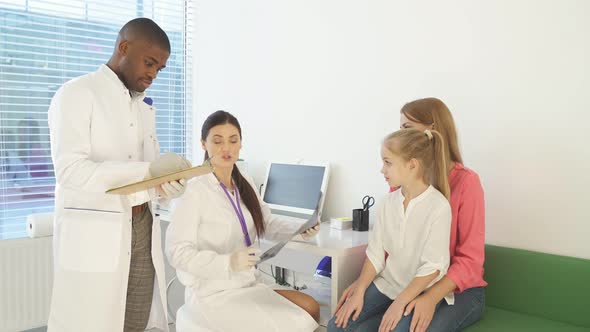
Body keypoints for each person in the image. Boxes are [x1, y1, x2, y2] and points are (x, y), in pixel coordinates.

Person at [48, 18, 190, 332]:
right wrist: (148, 172)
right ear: (124, 48)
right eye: (149, 62)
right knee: (91, 323)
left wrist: (166, 185)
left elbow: (147, 178)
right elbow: (71, 171)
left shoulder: (143, 107)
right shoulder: (76, 94)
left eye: (160, 68)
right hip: (97, 234)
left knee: (134, 323)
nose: (153, 74)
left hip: (142, 227)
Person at [166, 110, 321, 332]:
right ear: (203, 144)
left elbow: (265, 222)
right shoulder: (193, 190)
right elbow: (178, 253)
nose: (226, 148)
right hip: (213, 294)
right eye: (217, 141)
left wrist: (300, 228)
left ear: (241, 144)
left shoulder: (244, 180)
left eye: (233, 140)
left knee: (311, 307)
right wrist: (228, 262)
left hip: (248, 283)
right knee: (294, 323)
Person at [328, 128, 452, 332]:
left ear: (412, 164)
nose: (382, 170)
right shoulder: (387, 203)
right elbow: (375, 254)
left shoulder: (438, 207)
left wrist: (399, 303)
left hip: (420, 291)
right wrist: (359, 290)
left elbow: (433, 267)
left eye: (387, 162)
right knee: (336, 326)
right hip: (388, 284)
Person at [396, 98, 486, 332]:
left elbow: (471, 261)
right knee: (343, 324)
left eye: (406, 128)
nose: (399, 135)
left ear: (432, 129)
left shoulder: (467, 182)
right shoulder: (402, 178)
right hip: (413, 284)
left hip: (461, 292)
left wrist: (430, 297)